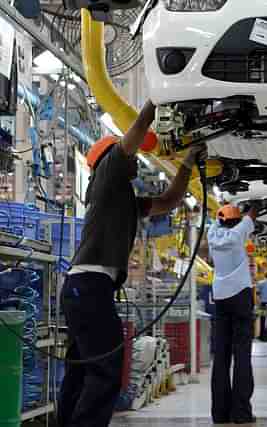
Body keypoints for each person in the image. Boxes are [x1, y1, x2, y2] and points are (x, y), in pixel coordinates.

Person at [57, 100, 206, 427]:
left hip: (84, 289)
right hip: (90, 287)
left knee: (82, 368)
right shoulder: (107, 177)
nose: (136, 159)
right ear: (109, 160)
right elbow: (131, 138)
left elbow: (168, 201)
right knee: (107, 369)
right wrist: (154, 102)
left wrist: (187, 165)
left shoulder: (120, 199)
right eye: (129, 156)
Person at [208, 203, 258, 424]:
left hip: (220, 298)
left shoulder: (212, 234)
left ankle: (220, 413)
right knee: (242, 356)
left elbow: (219, 221)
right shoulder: (238, 234)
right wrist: (256, 204)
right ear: (236, 221)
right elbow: (251, 215)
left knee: (221, 357)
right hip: (240, 296)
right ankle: (241, 413)